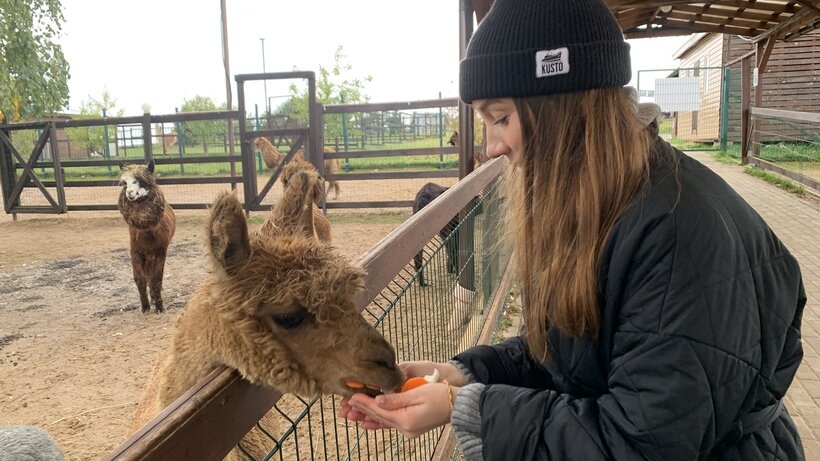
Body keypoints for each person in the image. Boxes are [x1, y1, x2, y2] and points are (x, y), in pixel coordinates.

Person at [340, 0, 807, 458]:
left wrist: (470, 409)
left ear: (560, 106)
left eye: (500, 118)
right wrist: (462, 374)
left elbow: (641, 442)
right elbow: (571, 351)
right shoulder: (607, 198)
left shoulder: (670, 233)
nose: (491, 147)